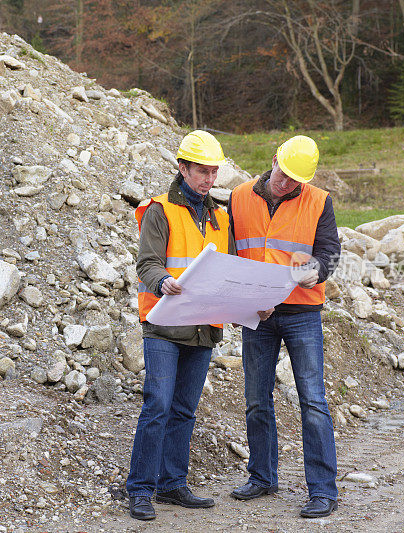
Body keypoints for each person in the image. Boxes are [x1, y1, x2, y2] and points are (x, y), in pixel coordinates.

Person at [228, 135, 341, 518]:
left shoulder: (320, 201)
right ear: (274, 159)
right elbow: (230, 254)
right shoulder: (239, 196)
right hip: (257, 314)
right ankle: (262, 476)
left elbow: (329, 252)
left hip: (302, 312)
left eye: (297, 180)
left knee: (312, 401)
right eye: (284, 173)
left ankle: (323, 491)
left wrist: (316, 271)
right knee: (257, 399)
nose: (287, 183)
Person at [126, 130, 234, 521]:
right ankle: (139, 489)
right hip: (164, 325)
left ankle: (172, 485)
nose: (209, 179)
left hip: (203, 327)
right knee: (157, 404)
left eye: (213, 171)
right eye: (202, 171)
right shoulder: (159, 211)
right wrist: (161, 282)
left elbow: (229, 270)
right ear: (182, 168)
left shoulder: (220, 216)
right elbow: (148, 263)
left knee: (185, 409)